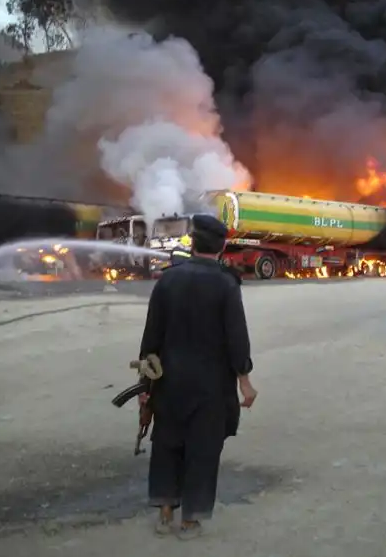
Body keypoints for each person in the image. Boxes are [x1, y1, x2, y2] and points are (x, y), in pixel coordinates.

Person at [138, 214, 257, 539]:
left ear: (192, 243)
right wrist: (244, 381)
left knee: (167, 442)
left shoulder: (167, 280)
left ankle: (165, 511)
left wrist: (145, 387)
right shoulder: (226, 284)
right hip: (211, 385)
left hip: (169, 380)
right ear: (221, 247)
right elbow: (236, 338)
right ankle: (190, 520)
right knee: (203, 448)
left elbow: (151, 338)